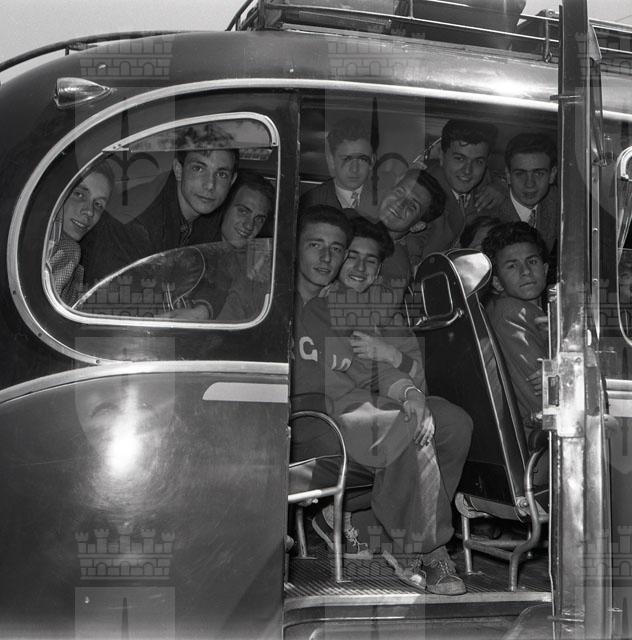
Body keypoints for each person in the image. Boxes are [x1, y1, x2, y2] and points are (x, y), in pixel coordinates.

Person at [292, 204, 466, 596]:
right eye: (317, 246)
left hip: (364, 405)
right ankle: (424, 548)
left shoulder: (354, 306)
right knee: (402, 425)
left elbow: (381, 370)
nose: (331, 258)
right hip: (317, 414)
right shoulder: (298, 302)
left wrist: (407, 386)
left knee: (453, 423)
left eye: (337, 249)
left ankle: (389, 527)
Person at [82, 126, 238, 284]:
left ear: (232, 181)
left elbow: (212, 275)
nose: (210, 185)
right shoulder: (134, 220)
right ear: (178, 170)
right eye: (198, 169)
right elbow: (113, 295)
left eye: (222, 174)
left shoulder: (211, 212)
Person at [482, 222, 549, 433]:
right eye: (512, 266)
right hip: (539, 438)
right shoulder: (511, 313)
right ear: (497, 283)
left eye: (532, 261)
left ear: (545, 269)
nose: (526, 271)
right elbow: (544, 399)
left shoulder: (534, 312)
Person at [417, 119, 509, 261]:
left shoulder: (489, 185)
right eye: (459, 158)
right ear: (441, 155)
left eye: (478, 161)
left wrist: (503, 184)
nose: (467, 170)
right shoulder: (417, 194)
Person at [47, 163, 114, 304]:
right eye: (79, 194)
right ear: (58, 194)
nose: (89, 211)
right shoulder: (67, 251)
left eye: (98, 204)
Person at [377, 167, 446, 298]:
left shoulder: (396, 267)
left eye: (412, 206)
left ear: (417, 226)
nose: (400, 203)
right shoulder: (350, 219)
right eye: (399, 192)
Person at [300, 118, 379, 220]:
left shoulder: (384, 201)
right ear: (331, 160)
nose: (354, 169)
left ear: (372, 161)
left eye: (362, 159)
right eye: (347, 159)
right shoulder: (312, 202)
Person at [497, 133, 558, 253]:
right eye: (520, 174)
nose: (529, 184)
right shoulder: (489, 211)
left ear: (552, 175)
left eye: (538, 174)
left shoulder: (562, 205)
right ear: (508, 175)